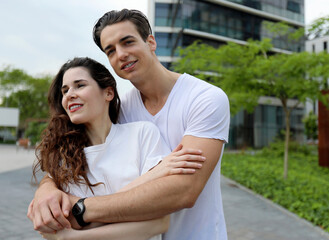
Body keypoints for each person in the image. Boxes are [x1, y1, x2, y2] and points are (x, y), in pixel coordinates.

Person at [28, 9, 230, 240]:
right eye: (111, 50)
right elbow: (79, 159)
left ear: (151, 42)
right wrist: (47, 189)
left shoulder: (204, 98)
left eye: (127, 42)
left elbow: (184, 191)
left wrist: (80, 209)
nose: (121, 54)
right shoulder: (121, 109)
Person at [31, 57, 205, 240]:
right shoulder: (63, 155)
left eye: (80, 85)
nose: (69, 95)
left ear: (108, 93)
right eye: (65, 90)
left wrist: (71, 235)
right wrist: (152, 176)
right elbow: (69, 221)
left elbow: (159, 222)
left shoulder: (142, 134)